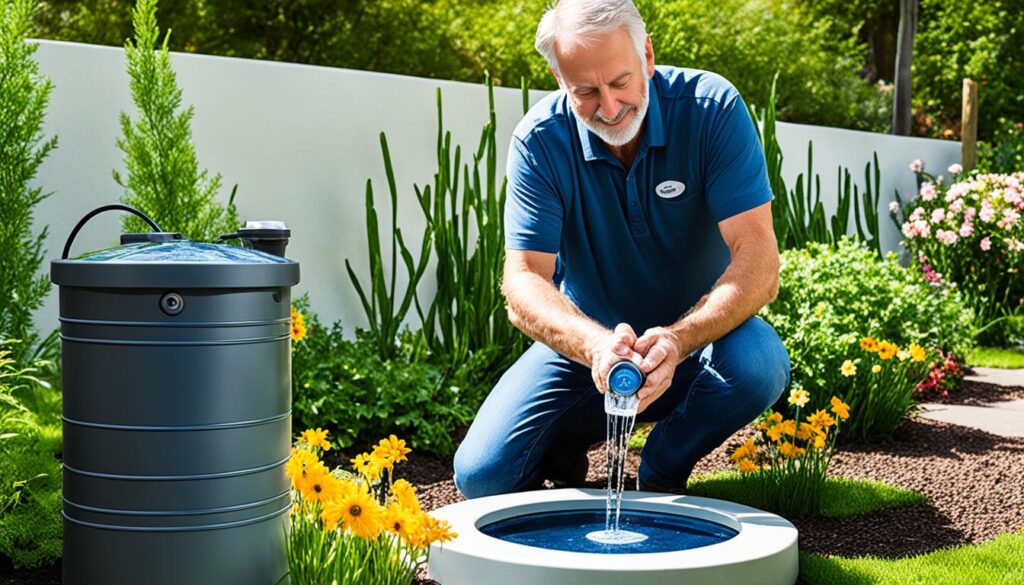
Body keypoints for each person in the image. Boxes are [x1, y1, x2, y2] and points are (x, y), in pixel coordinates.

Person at [453, 0, 790, 498]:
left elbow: (760, 261)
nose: (609, 108)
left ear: (647, 56)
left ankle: (662, 466)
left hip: (700, 344)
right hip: (589, 350)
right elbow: (523, 280)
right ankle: (563, 450)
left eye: (620, 82)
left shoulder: (711, 109)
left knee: (760, 363)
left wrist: (678, 339)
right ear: (558, 76)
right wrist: (593, 346)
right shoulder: (539, 141)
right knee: (482, 476)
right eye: (585, 91)